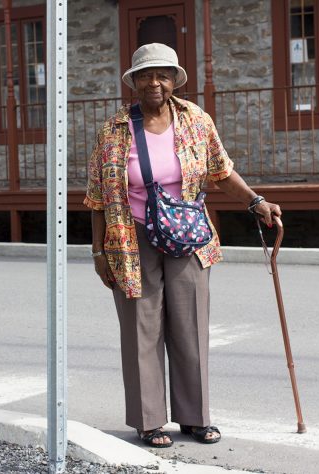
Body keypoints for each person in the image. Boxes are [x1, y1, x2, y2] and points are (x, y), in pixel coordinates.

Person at [84, 43, 281, 448]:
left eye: (163, 74)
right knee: (142, 328)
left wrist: (256, 201)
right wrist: (99, 251)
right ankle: (149, 420)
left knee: (190, 326)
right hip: (131, 237)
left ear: (174, 80)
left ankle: (195, 417)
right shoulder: (114, 130)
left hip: (189, 233)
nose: (154, 82)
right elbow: (97, 197)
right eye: (145, 75)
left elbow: (221, 172)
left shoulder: (195, 120)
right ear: (134, 82)